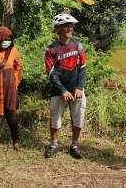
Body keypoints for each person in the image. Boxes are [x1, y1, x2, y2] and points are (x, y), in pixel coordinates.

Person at [44, 13, 86, 159]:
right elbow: (51, 73)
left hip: (76, 88)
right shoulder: (51, 49)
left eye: (71, 26)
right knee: (55, 117)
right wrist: (62, 90)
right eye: (66, 26)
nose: (70, 28)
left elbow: (82, 67)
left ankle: (74, 144)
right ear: (58, 29)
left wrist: (79, 87)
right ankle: (54, 144)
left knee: (78, 116)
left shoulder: (78, 45)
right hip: (58, 90)